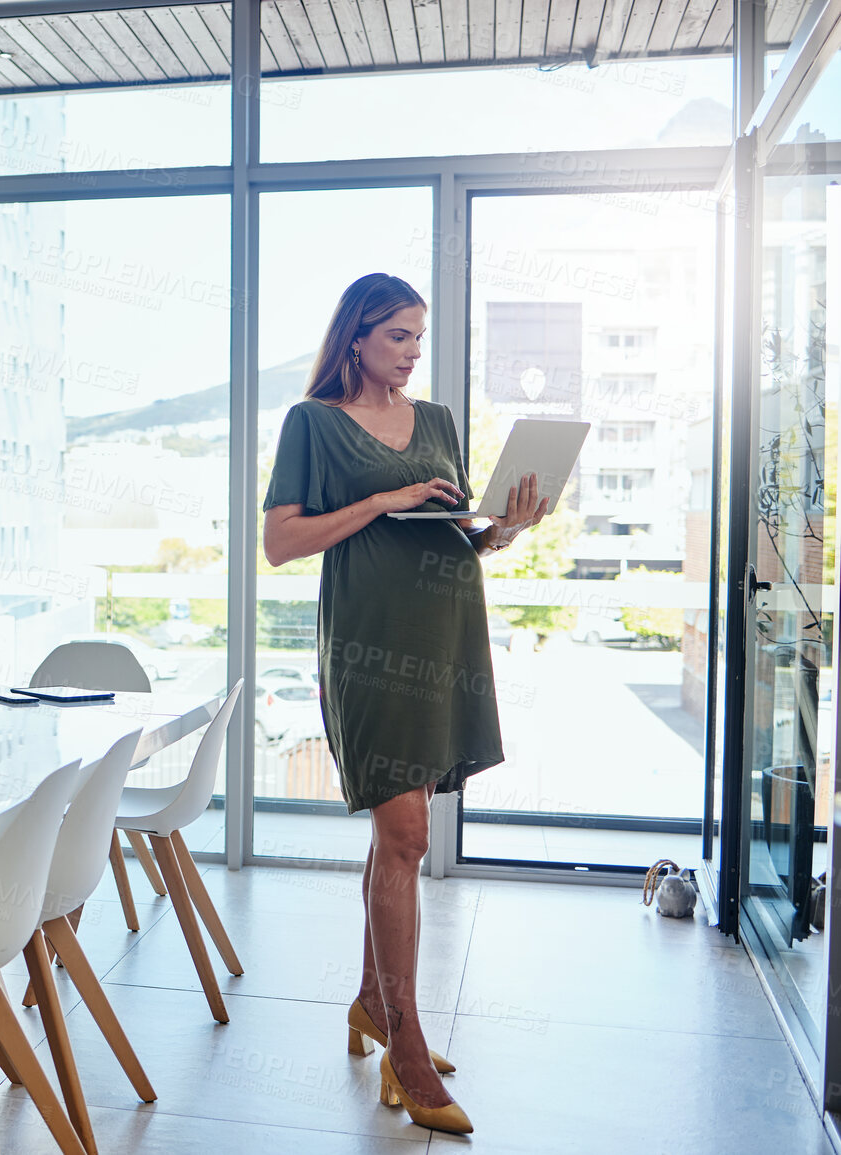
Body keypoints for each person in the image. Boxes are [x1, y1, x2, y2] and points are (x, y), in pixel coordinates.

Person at [260, 273, 548, 1136]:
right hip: (367, 647)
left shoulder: (436, 423)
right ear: (354, 339)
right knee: (409, 836)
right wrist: (381, 498)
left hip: (444, 639)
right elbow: (280, 541)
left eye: (417, 338)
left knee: (396, 837)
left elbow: (459, 532)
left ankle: (368, 1002)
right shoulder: (311, 423)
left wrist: (505, 529)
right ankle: (407, 1045)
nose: (412, 352)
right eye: (397, 337)